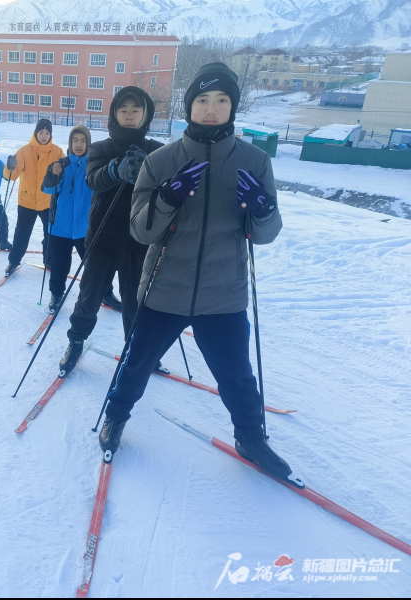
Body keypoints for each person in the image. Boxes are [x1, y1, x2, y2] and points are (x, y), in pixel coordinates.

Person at [98, 62, 293, 480]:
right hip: (165, 289)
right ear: (190, 107)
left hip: (224, 293)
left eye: (221, 100)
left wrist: (264, 209)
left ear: (232, 106)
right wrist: (168, 196)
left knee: (238, 377)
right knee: (136, 364)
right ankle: (115, 417)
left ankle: (251, 438)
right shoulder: (162, 161)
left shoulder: (254, 161)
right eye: (202, 100)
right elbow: (141, 230)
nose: (211, 108)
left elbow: (265, 235)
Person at [58, 86, 164, 375]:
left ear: (146, 115)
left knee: (136, 302)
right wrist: (116, 170)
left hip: (139, 242)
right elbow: (93, 179)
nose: (129, 116)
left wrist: (152, 174)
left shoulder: (156, 150)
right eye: (124, 110)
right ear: (115, 114)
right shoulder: (101, 148)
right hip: (103, 239)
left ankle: (138, 350)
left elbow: (169, 187)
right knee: (89, 298)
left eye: (136, 110)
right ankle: (76, 341)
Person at [41, 126, 119, 313]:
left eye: (83, 141)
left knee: (96, 265)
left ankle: (106, 294)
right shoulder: (61, 164)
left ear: (88, 143)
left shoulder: (94, 165)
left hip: (87, 227)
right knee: (59, 265)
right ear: (70, 143)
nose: (79, 145)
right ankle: (56, 294)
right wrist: (53, 174)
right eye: (75, 140)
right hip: (60, 226)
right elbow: (47, 189)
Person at [3, 118, 64, 277]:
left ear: (50, 134)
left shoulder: (57, 152)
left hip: (47, 201)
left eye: (47, 133)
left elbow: (64, 174)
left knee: (50, 234)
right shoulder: (24, 151)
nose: (44, 136)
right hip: (27, 201)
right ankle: (14, 261)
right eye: (41, 132)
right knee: (22, 234)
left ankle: (49, 260)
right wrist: (9, 167)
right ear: (35, 133)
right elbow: (12, 176)